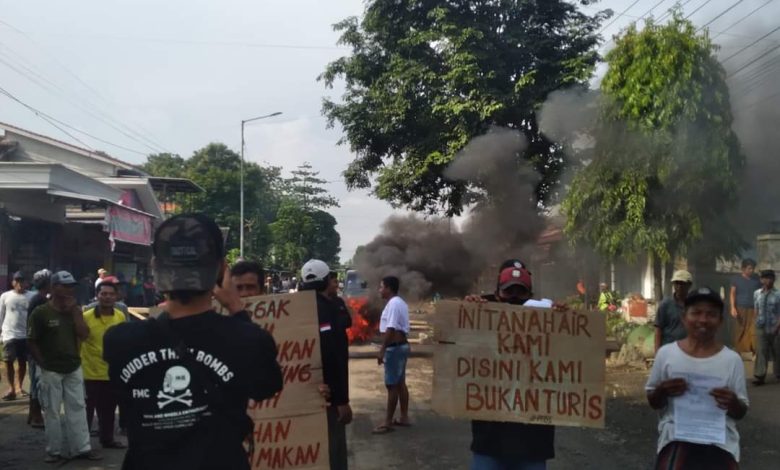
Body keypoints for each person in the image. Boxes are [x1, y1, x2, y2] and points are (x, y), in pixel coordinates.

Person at [103, 213, 282, 470]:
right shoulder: (248, 339)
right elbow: (267, 387)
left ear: (156, 268)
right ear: (221, 271)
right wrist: (236, 309)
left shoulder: (119, 341)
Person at [465, 259, 555, 470]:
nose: (514, 297)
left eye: (520, 292)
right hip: (489, 441)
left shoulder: (550, 322)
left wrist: (565, 318)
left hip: (533, 444)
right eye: (509, 291)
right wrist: (468, 311)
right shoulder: (481, 315)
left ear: (530, 296)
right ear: (497, 294)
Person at [646, 287, 748, 469]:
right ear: (684, 318)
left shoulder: (732, 360)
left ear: (720, 321)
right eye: (696, 313)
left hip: (720, 441)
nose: (703, 320)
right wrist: (662, 390)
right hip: (677, 437)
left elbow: (740, 412)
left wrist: (732, 402)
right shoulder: (666, 354)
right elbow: (654, 402)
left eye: (711, 314)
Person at [28, 270, 101, 463]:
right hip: (50, 368)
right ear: (53, 287)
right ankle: (54, 450)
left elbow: (84, 335)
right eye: (65, 286)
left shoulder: (74, 310)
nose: (69, 290)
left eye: (71, 286)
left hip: (73, 366)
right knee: (51, 411)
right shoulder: (41, 312)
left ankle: (82, 448)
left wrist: (76, 313)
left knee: (77, 407)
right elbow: (32, 340)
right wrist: (42, 363)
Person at [300, 259, 352, 470]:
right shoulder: (329, 309)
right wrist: (341, 399)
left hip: (300, 392)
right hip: (326, 395)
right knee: (332, 450)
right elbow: (332, 357)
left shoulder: (293, 310)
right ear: (325, 281)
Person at [81, 281, 126, 449]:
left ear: (116, 296)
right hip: (88, 371)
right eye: (103, 294)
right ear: (97, 295)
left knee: (108, 411)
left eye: (111, 294)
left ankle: (107, 440)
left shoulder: (120, 316)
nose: (107, 297)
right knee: (85, 411)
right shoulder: (86, 316)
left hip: (111, 372)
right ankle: (82, 444)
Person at [373, 275, 411, 434]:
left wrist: (382, 349)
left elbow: (391, 328)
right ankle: (403, 417)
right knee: (400, 382)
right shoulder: (399, 302)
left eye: (381, 287)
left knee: (392, 386)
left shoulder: (394, 304)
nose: (379, 290)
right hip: (400, 346)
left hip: (394, 348)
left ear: (389, 288)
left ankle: (388, 422)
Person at [0, 271, 32, 401]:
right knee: (8, 361)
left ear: (26, 283)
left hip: (26, 335)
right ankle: (11, 388)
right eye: (17, 281)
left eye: (22, 281)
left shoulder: (32, 296)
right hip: (9, 334)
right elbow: (1, 314)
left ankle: (19, 387)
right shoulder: (5, 296)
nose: (19, 283)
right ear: (13, 282)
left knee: (23, 362)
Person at [27, 269, 52, 428]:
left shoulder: (40, 298)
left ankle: (32, 414)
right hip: (37, 346)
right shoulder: (39, 300)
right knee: (37, 381)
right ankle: (36, 415)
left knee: (35, 381)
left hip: (37, 344)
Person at [752, 269, 780, 386]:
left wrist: (777, 326)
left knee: (777, 351)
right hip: (761, 327)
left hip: (775, 327)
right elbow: (756, 309)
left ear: (773, 279)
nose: (767, 280)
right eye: (765, 278)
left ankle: (778, 374)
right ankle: (760, 376)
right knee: (761, 351)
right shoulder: (757, 293)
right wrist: (755, 321)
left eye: (770, 278)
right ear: (761, 280)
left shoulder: (778, 294)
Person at [654, 270, 694, 352]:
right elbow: (658, 330)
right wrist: (657, 354)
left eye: (682, 284)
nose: (679, 287)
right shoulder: (665, 305)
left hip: (688, 351)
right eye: (676, 283)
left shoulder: (694, 305)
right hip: (668, 350)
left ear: (689, 285)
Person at [730, 258, 761, 354]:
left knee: (753, 330)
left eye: (753, 268)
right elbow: (732, 294)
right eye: (749, 268)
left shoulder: (756, 279)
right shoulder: (736, 279)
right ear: (743, 269)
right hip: (741, 308)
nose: (751, 270)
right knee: (740, 329)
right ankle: (738, 351)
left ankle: (753, 351)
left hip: (754, 309)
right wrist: (733, 308)